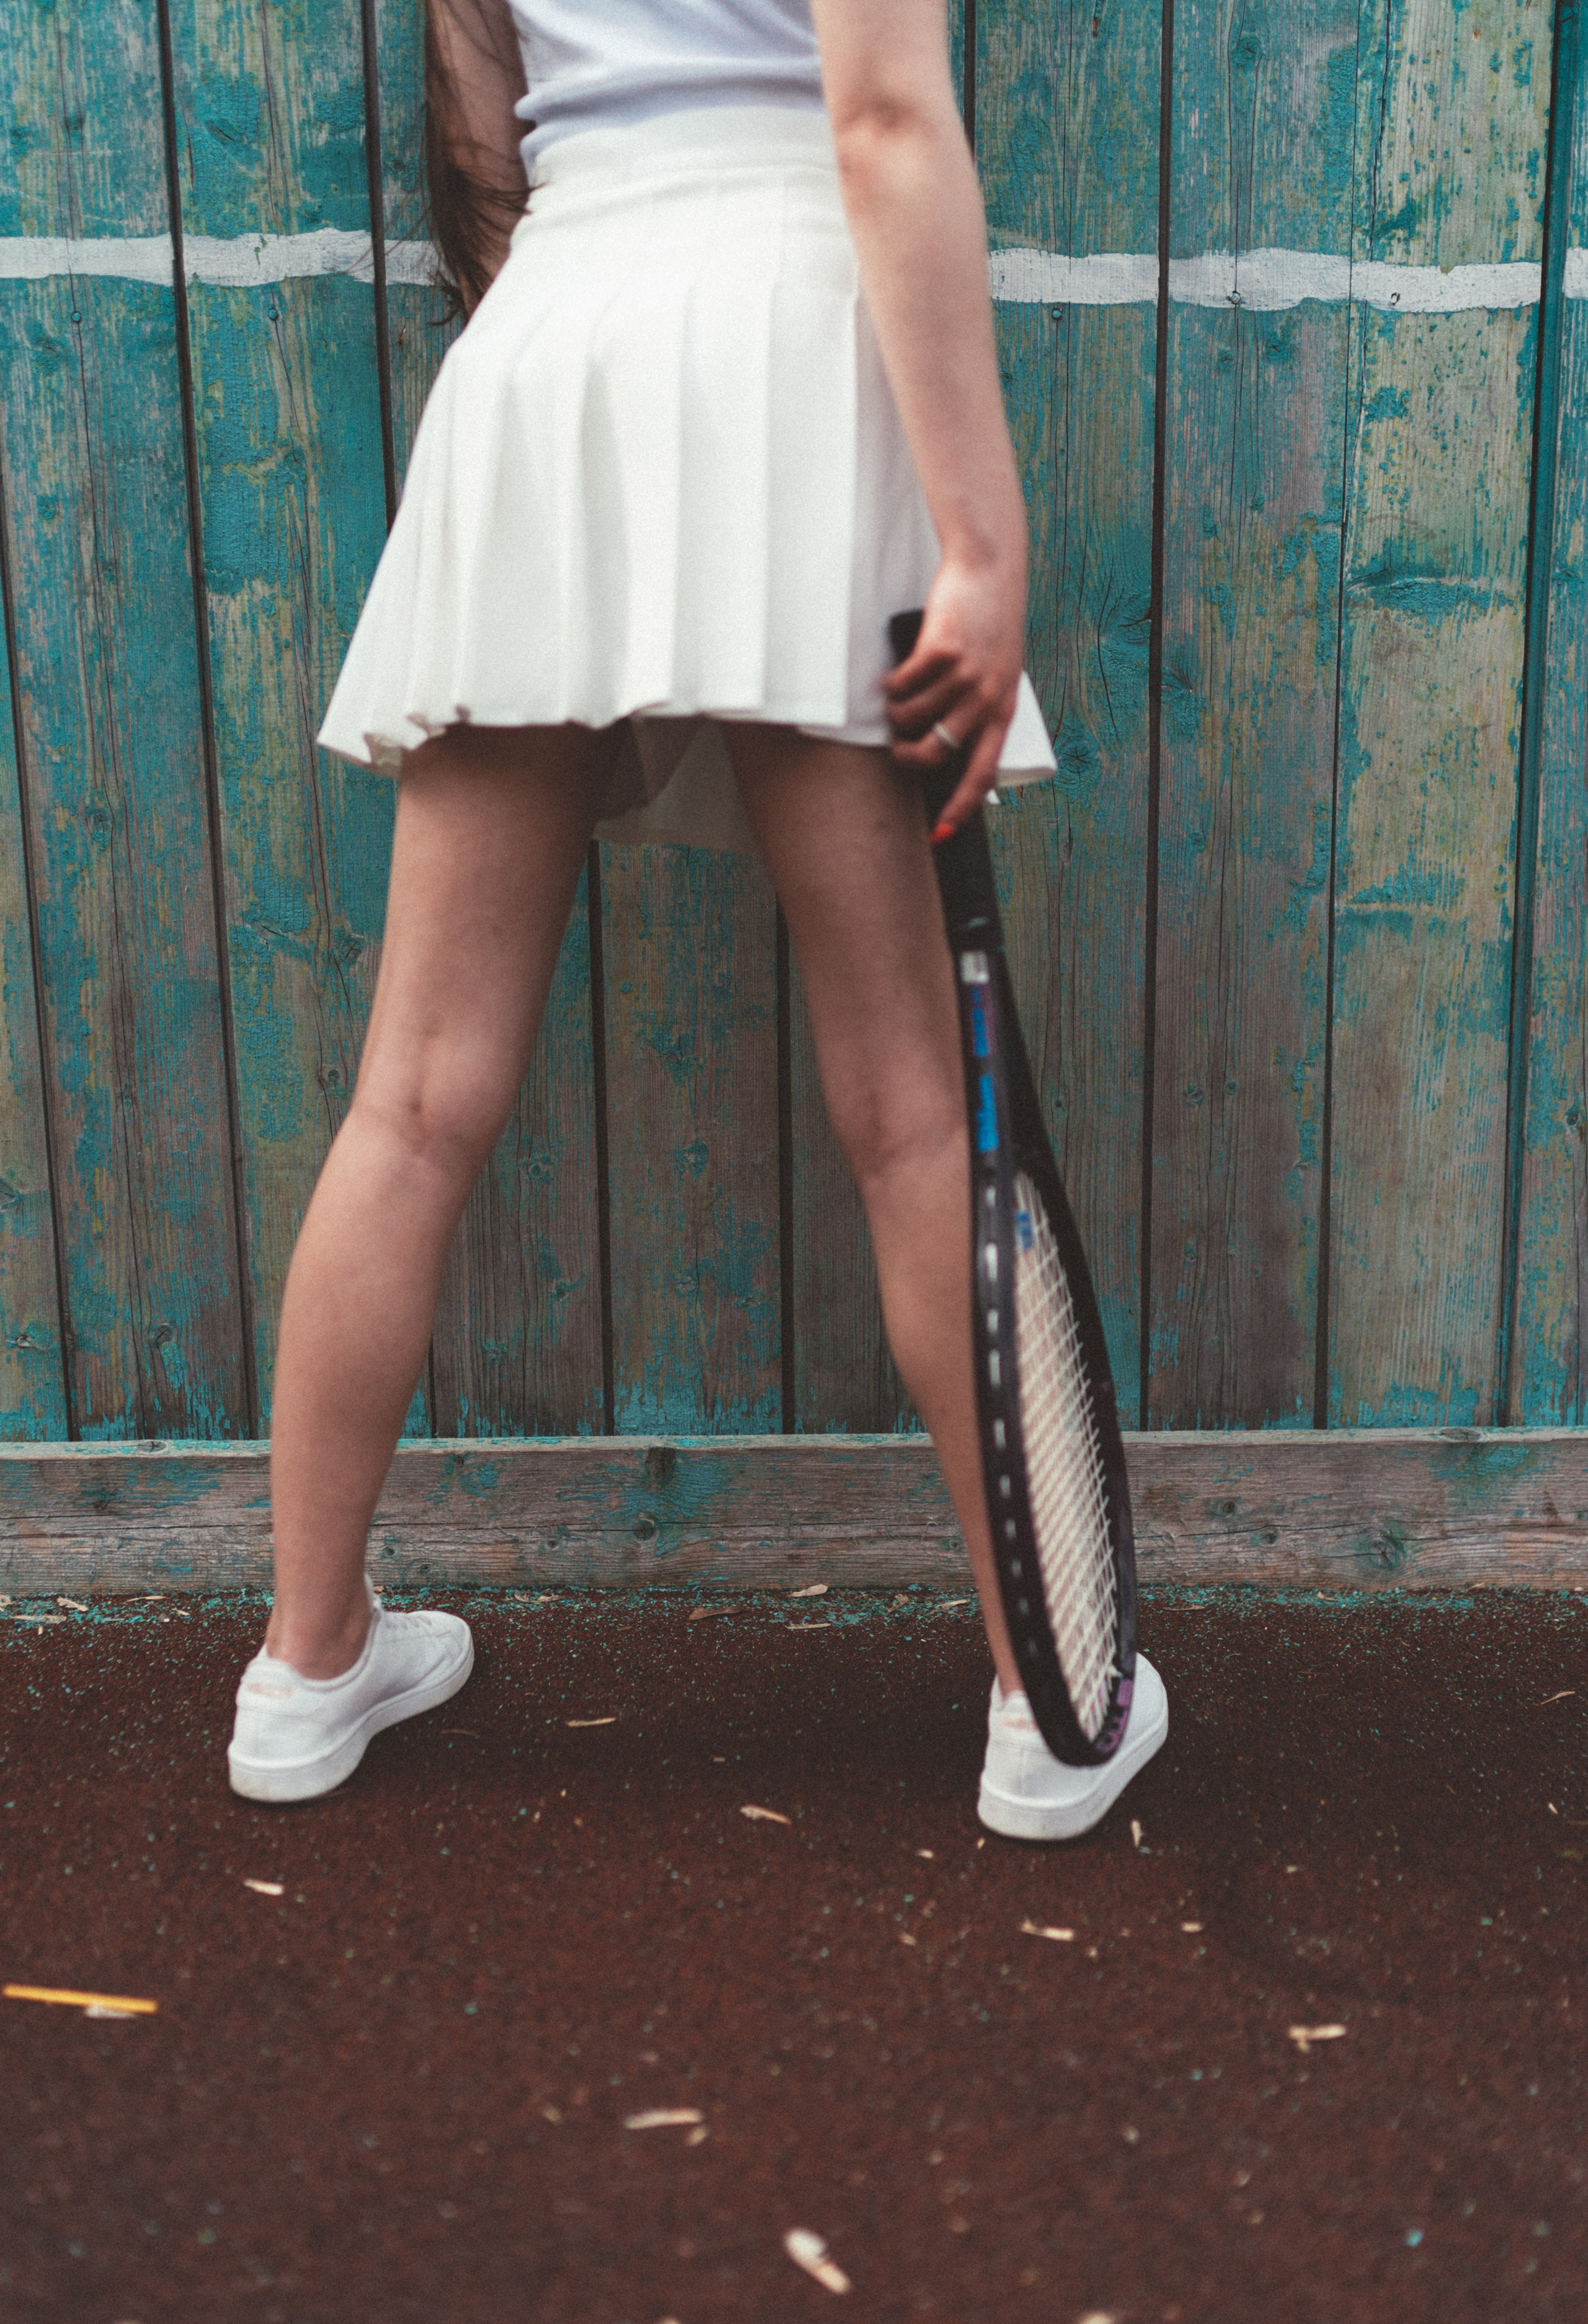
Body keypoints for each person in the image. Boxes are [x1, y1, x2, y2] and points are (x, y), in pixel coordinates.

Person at [226, 0, 1168, 1838]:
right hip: (788, 339)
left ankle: (304, 1666)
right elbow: (885, 115)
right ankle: (1047, 1703)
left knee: (413, 1098)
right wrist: (980, 546)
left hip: (555, 337)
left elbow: (486, 135)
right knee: (910, 1105)